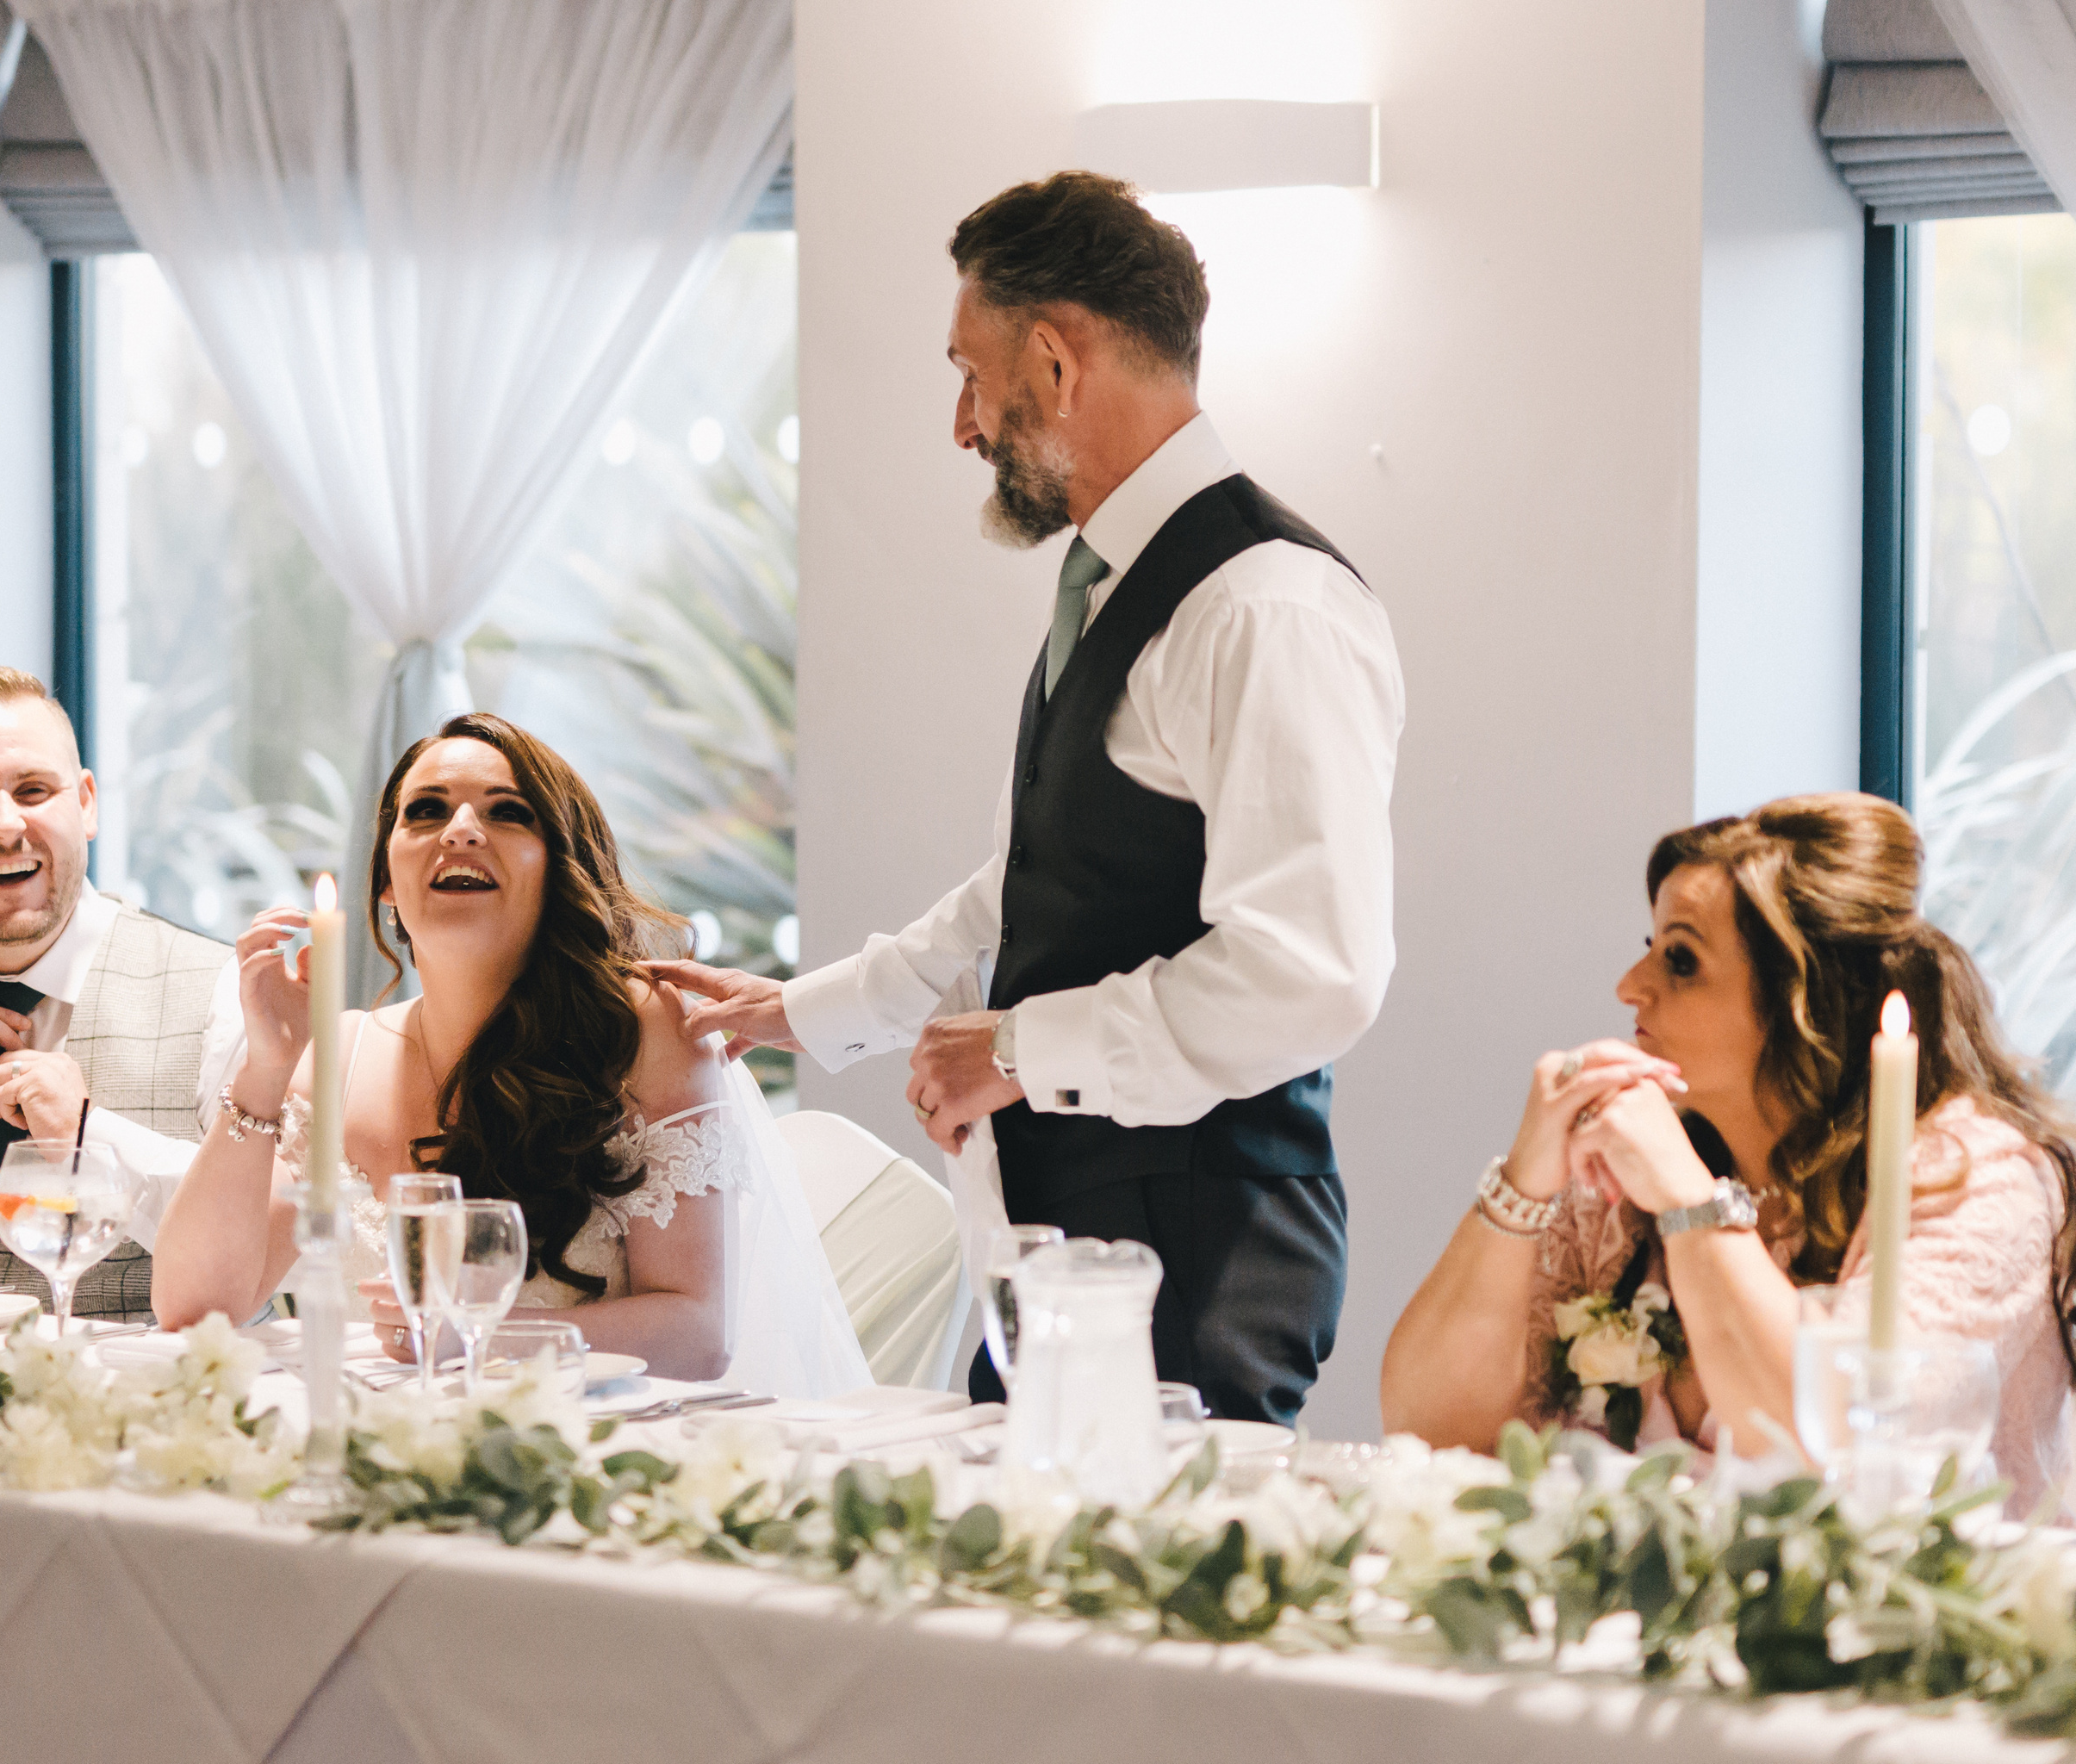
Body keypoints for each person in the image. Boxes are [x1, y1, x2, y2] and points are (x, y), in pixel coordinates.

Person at [650, 172, 1404, 1425]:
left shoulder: (1264, 607)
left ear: (1053, 363)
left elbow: (1313, 971)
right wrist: (798, 1011)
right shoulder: (1114, 584)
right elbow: (1045, 888)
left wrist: (1015, 1049)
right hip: (1055, 1254)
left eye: (970, 373)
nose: (962, 424)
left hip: (1191, 1265)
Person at [1382, 793, 2076, 1514]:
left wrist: (1689, 1201)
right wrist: (1526, 1180)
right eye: (1650, 948)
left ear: (1808, 1001)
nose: (1630, 986)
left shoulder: (1974, 1183)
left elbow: (1824, 1454)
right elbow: (1429, 1429)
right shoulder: (1626, 1183)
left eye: (1681, 960)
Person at [151, 712, 868, 1399]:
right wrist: (267, 1068)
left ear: (559, 866)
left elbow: (698, 1333)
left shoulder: (645, 1032)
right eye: (426, 811)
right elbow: (197, 1306)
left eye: (507, 813)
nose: (460, 831)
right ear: (385, 884)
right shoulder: (336, 1059)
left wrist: (482, 1342)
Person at [0, 665, 243, 1317]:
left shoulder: (220, 994)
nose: (6, 825)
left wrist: (89, 1136)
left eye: (35, 790)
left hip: (147, 1408)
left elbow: (253, 1254)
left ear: (87, 803)